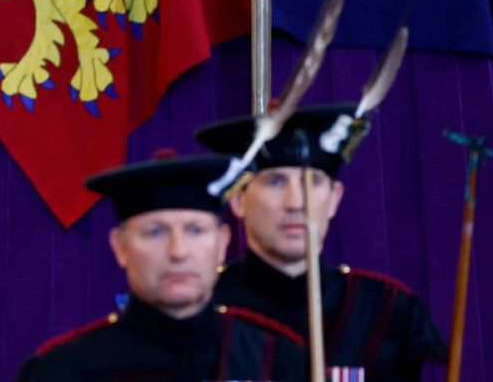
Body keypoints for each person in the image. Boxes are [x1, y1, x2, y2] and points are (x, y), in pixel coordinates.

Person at [197, 106, 448, 379]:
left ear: (334, 198)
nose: (295, 203)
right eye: (275, 182)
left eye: (313, 181)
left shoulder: (385, 311)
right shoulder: (199, 308)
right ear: (238, 199)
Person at [17, 153, 307, 380]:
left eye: (195, 230)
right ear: (121, 247)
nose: (178, 252)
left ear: (221, 244)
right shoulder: (63, 372)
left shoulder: (278, 362)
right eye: (155, 232)